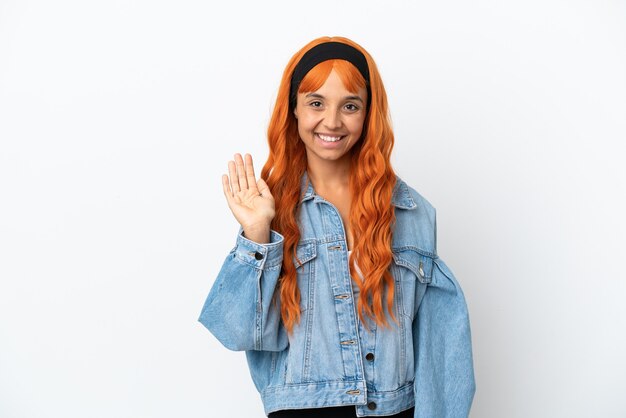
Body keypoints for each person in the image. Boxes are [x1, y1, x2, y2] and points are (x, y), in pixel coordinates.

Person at [199, 36, 475, 417]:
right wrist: (257, 234)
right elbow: (237, 332)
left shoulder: (411, 213)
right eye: (316, 103)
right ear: (293, 109)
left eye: (350, 105)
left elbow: (441, 351)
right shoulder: (272, 209)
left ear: (368, 113)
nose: (332, 121)